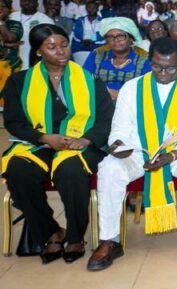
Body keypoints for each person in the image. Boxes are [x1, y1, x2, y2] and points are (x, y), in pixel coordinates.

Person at [89, 38, 177, 271]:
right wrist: (119, 145)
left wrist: (173, 155)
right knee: (109, 168)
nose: (163, 73)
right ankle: (110, 240)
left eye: (170, 68)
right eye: (157, 66)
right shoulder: (132, 88)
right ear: (149, 61)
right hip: (138, 152)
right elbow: (119, 127)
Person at [1, 25, 114, 262]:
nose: (61, 51)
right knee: (18, 172)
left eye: (64, 45)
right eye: (51, 47)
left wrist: (86, 139)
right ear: (39, 52)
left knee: (70, 171)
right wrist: (43, 138)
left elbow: (106, 119)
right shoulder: (19, 81)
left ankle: (75, 236)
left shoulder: (90, 79)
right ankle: (50, 231)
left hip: (79, 142)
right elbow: (13, 121)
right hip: (37, 142)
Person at [83, 17, 150, 101]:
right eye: (111, 37)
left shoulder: (144, 58)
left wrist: (121, 95)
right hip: (99, 102)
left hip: (132, 103)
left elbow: (147, 88)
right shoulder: (96, 54)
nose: (116, 40)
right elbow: (84, 80)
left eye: (121, 36)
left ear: (131, 39)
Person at [12, 0, 54, 67]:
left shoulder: (45, 20)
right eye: (24, 0)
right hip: (13, 54)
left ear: (37, 4)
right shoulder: (12, 16)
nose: (26, 3)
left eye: (30, 1)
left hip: (33, 55)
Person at [0, 0, 24, 93]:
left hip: (9, 66)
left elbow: (10, 39)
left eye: (3, 6)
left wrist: (0, 22)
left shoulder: (14, 24)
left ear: (9, 9)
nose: (0, 9)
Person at [71, 0, 103, 64]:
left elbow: (102, 34)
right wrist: (86, 40)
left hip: (97, 46)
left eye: (94, 7)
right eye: (89, 7)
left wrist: (91, 39)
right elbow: (78, 34)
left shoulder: (103, 21)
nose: (91, 9)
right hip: (81, 46)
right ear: (86, 8)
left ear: (97, 9)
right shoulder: (80, 20)